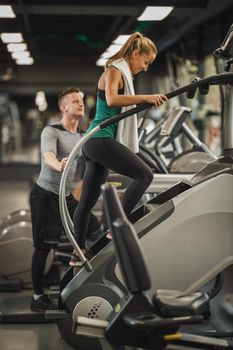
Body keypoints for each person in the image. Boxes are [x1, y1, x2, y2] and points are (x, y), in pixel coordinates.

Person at [71, 32, 168, 265]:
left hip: (94, 143)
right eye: (145, 62)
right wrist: (145, 97)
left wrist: (143, 99)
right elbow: (113, 100)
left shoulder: (120, 71)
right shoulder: (114, 71)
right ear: (135, 54)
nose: (145, 68)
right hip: (100, 139)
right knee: (145, 175)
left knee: (87, 201)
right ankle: (116, 226)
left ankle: (78, 253)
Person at [30, 87, 101, 312]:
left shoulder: (81, 135)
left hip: (67, 197)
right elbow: (48, 156)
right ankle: (37, 296)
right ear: (64, 107)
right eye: (75, 101)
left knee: (95, 230)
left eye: (81, 101)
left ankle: (86, 276)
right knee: (43, 247)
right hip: (46, 195)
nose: (81, 104)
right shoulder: (51, 132)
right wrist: (58, 164)